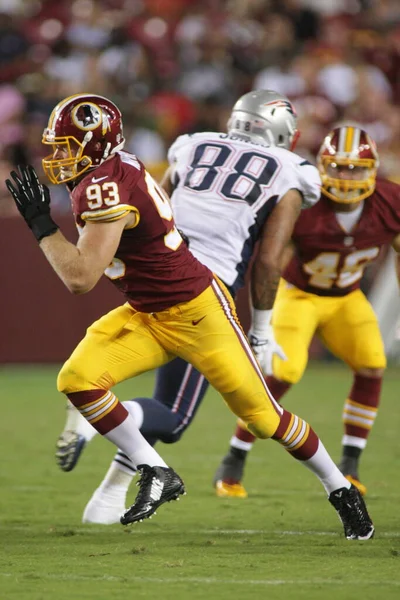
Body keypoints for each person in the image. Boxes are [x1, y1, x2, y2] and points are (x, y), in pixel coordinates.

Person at [27, 92, 376, 541]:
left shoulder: (179, 152)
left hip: (198, 310)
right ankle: (155, 471)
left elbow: (81, 276)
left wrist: (42, 226)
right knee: (77, 379)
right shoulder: (118, 170)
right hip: (149, 308)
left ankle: (341, 489)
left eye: (66, 147)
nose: (56, 157)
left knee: (264, 419)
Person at [214, 124, 400, 500]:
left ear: (373, 169)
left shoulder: (391, 200)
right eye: (338, 167)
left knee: (372, 363)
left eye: (354, 168)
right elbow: (271, 262)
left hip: (347, 296)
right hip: (300, 294)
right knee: (283, 370)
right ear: (322, 166)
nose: (346, 177)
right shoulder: (305, 203)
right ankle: (234, 458)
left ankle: (350, 464)